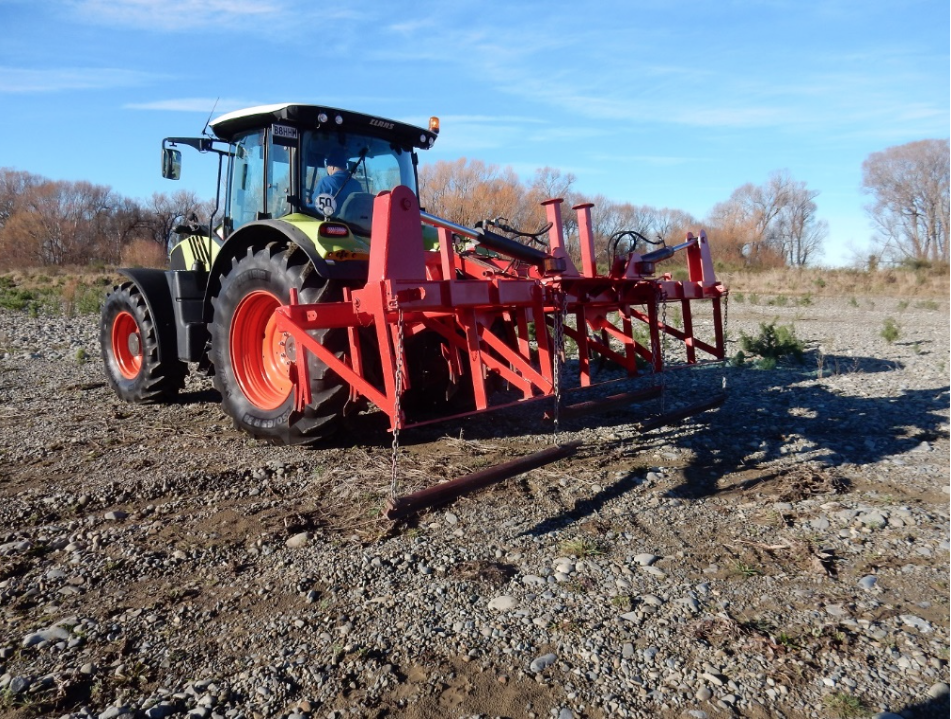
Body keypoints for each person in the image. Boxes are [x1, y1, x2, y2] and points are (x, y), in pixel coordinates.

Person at [313, 150, 362, 215]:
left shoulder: (324, 182)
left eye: (327, 167)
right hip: (353, 223)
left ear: (332, 167)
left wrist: (307, 203)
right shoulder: (357, 185)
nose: (327, 171)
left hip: (330, 223)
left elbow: (315, 207)